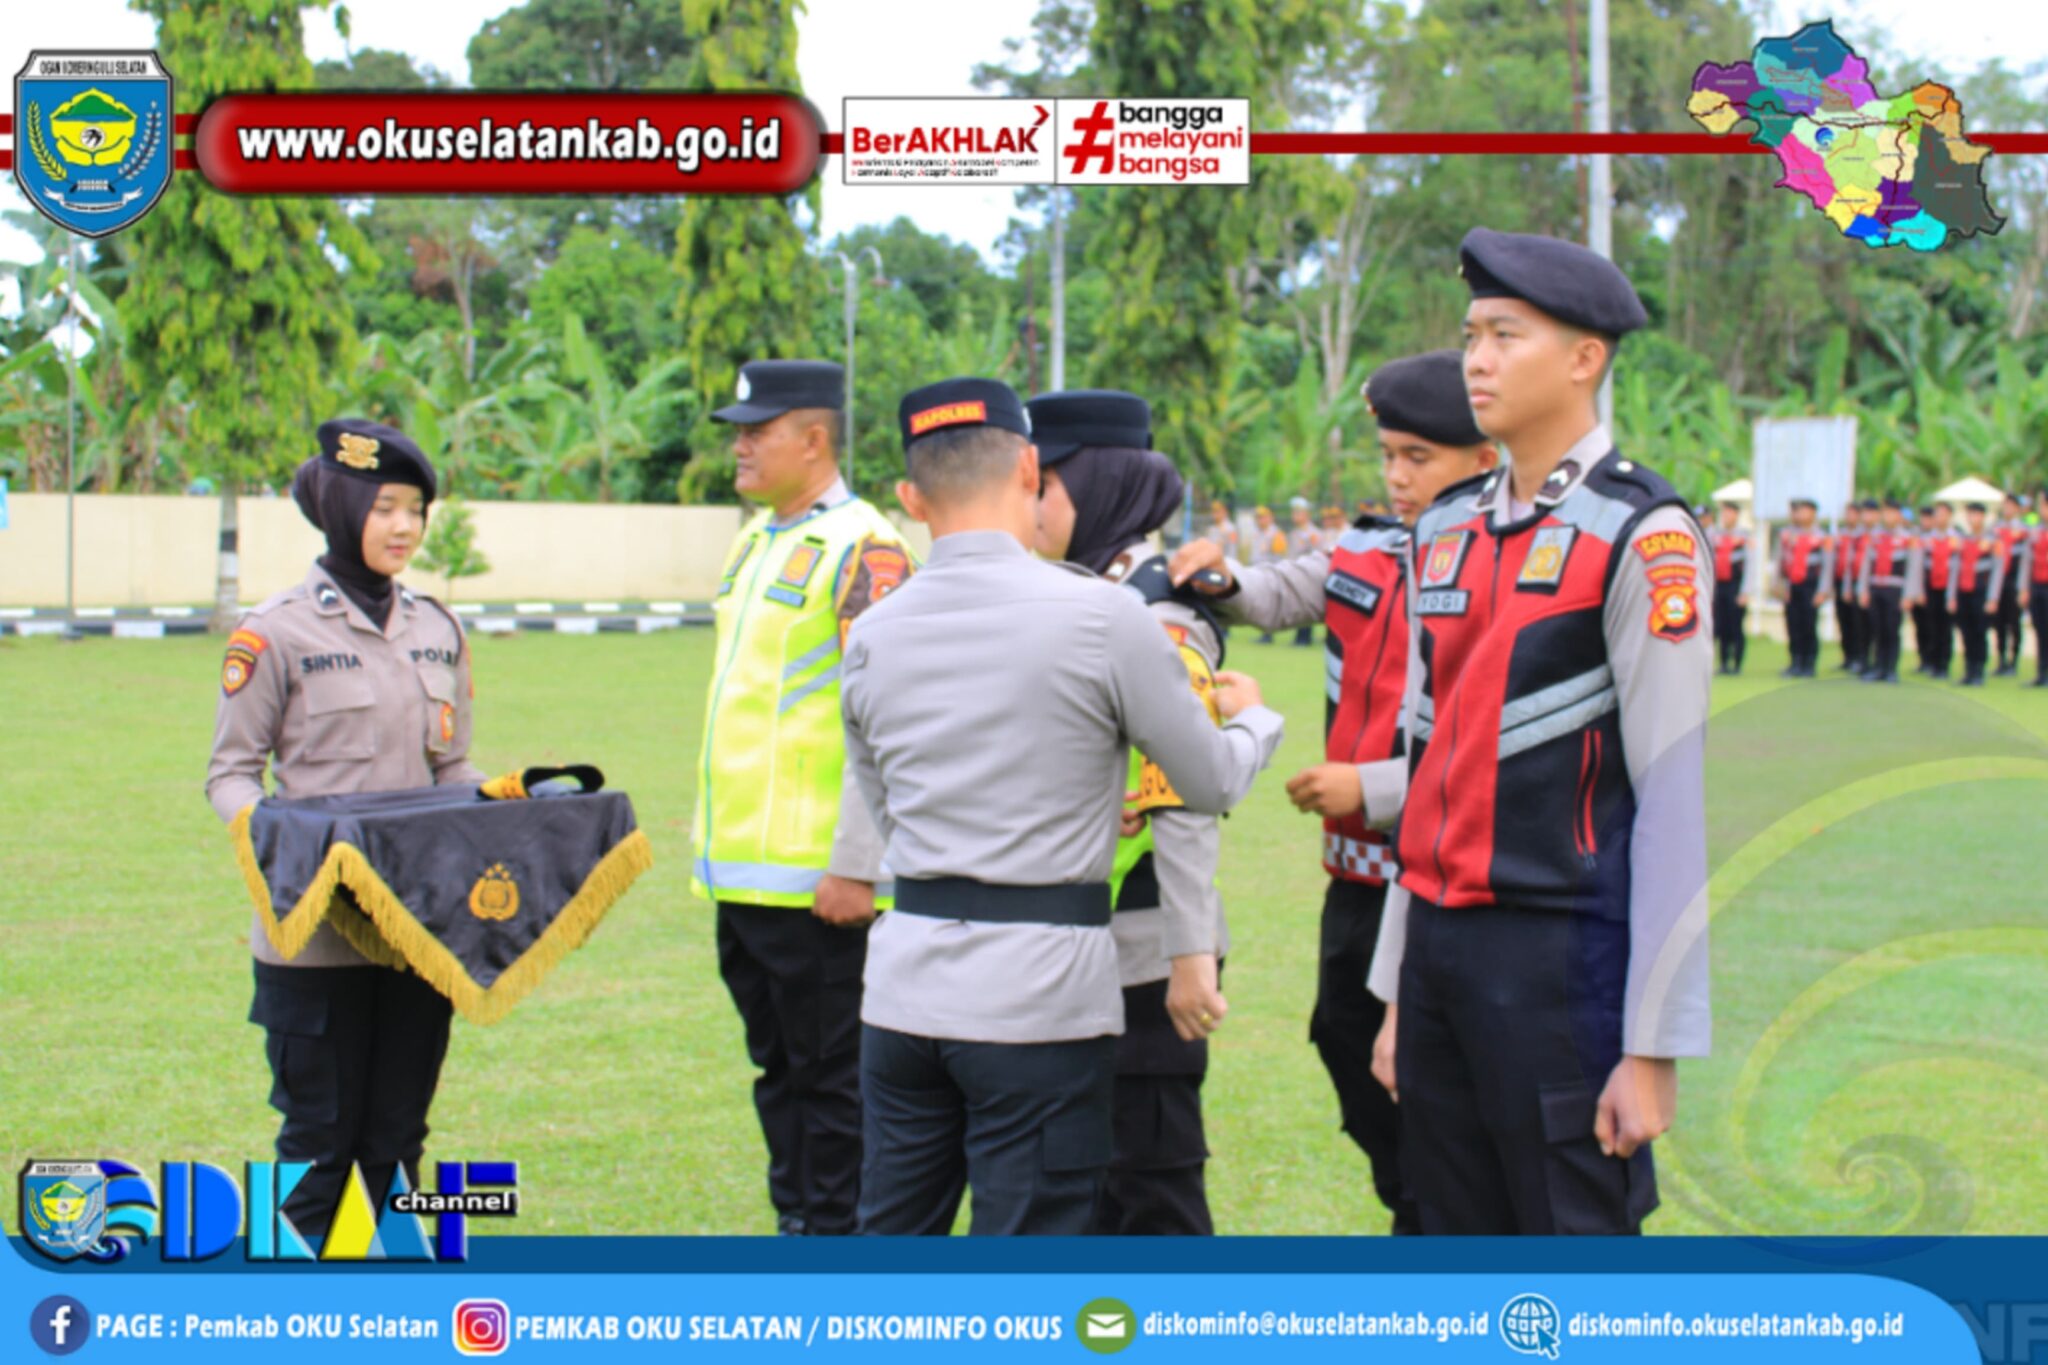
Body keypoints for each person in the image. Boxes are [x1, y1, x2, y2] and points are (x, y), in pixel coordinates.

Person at [843, 378, 1284, 1237]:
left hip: (903, 988)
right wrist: (1256, 720)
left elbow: (885, 804)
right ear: (1027, 467)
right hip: (1041, 995)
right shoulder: (1104, 616)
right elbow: (1207, 782)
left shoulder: (874, 631)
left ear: (910, 497)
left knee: (890, 1242)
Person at [1367, 228, 1713, 1236]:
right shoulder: (1445, 528)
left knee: (1572, 1248)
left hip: (1561, 958)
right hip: (1437, 954)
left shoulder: (1640, 533)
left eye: (1504, 335)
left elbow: (1670, 800)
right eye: (1470, 335)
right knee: (1445, 1238)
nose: (1475, 359)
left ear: (1583, 358)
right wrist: (1396, 989)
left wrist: (1650, 1045)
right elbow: (1424, 766)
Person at [1167, 348, 1501, 1236]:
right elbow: (1279, 593)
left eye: (1419, 457)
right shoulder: (1369, 547)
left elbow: (1499, 741)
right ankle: (1417, 1205)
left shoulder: (1497, 565)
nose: (1398, 476)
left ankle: (1434, 1219)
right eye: (1389, 455)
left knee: (1425, 1072)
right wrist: (1223, 580)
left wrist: (1376, 786)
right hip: (1354, 874)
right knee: (1344, 1037)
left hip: (1438, 873)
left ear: (1484, 459)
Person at [206, 418, 483, 1241]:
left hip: (416, 934)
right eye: (385, 507)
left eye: (416, 510)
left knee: (398, 1144)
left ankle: (395, 1301)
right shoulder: (275, 630)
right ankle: (285, 1303)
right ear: (341, 509)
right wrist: (283, 841)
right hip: (314, 936)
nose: (405, 526)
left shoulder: (438, 629)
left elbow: (452, 767)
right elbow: (230, 774)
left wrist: (500, 810)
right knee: (316, 1148)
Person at [691, 359, 916, 1237]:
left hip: (823, 884)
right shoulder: (757, 539)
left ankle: (836, 1247)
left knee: (833, 1082)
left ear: (815, 439)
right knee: (779, 1072)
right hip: (744, 876)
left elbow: (889, 719)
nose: (740, 446)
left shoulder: (868, 549)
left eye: (759, 431)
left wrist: (857, 863)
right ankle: (800, 1226)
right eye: (738, 431)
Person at [1026, 388, 1232, 1236]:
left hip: (1144, 955)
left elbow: (1182, 800)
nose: (1031, 507)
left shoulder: (1161, 611)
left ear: (1100, 485)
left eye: (1044, 486)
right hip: (1076, 940)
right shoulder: (1079, 593)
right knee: (1082, 1191)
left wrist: (1190, 954)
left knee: (1152, 1188)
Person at [1858, 499, 1922, 685]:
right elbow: (1866, 565)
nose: (1888, 517)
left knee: (1892, 630)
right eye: (1885, 513)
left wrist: (1909, 595)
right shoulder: (1875, 537)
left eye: (1892, 513)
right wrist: (1863, 590)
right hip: (1876, 587)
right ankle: (1878, 667)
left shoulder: (1908, 538)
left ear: (1899, 515)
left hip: (1895, 590)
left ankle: (1891, 669)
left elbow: (1913, 568)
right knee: (1877, 629)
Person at [1773, 497, 1832, 678]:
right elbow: (1780, 561)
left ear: (1813, 513)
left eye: (1804, 511)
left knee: (1809, 625)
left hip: (1811, 586)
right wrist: (1778, 584)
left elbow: (1827, 566)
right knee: (1793, 625)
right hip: (1791, 585)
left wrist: (1823, 591)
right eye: (1797, 511)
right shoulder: (1786, 535)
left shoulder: (1822, 537)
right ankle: (1795, 662)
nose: (1800, 515)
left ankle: (1809, 664)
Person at [1949, 502, 2001, 688]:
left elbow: (1997, 570)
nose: (1973, 518)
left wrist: (1992, 597)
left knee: (1979, 632)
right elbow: (1955, 569)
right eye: (1970, 514)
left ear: (1983, 517)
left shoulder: (1992, 540)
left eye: (1976, 514)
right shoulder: (1962, 540)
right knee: (1965, 632)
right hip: (1963, 591)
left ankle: (1979, 670)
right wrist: (1951, 596)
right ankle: (1969, 670)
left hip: (1981, 592)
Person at [1706, 501, 1750, 675]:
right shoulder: (1714, 535)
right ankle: (1723, 662)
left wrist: (1745, 591)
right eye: (1723, 513)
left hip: (1736, 586)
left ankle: (1737, 663)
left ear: (1736, 515)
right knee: (1720, 626)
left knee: (1735, 626)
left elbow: (1751, 565)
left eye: (1729, 513)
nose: (1726, 516)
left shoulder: (1744, 537)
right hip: (1719, 586)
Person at [1918, 502, 1956, 678]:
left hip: (1947, 589)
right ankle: (1931, 662)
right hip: (1930, 587)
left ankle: (1944, 665)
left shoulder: (1956, 539)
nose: (1940, 517)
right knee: (1930, 626)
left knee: (1945, 628)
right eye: (1937, 514)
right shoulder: (1927, 539)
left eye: (1943, 514)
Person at [1832, 501, 1871, 673]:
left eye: (1852, 513)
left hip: (1858, 581)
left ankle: (1860, 658)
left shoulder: (1864, 536)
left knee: (1858, 624)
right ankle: (1848, 657)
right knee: (1844, 621)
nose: (1849, 517)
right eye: (1847, 513)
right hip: (1841, 581)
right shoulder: (1841, 535)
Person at [1993, 493, 2027, 676]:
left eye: (2011, 505)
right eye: (2005, 505)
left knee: (2014, 623)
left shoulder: (2023, 531)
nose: (2007, 508)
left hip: (2014, 582)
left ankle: (2014, 661)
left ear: (2017, 508)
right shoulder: (1996, 530)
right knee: (1999, 623)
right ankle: (2001, 660)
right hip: (1998, 583)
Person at [1249, 505, 1288, 643]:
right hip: (1257, 573)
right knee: (1261, 606)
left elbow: (1279, 557)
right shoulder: (1257, 533)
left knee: (1269, 606)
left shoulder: (1276, 534)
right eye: (1258, 517)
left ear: (1271, 518)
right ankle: (1264, 633)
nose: (1260, 520)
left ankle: (1268, 634)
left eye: (1263, 517)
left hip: (1270, 575)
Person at [1286, 498, 1322, 646]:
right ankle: (1299, 637)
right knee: (1298, 605)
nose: (1294, 516)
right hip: (1295, 572)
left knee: (1307, 605)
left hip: (1307, 573)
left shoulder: (1313, 533)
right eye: (1293, 512)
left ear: (1306, 514)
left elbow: (1316, 555)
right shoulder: (1295, 533)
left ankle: (1305, 638)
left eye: (1298, 513)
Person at [2020, 497, 2048, 688]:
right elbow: (2026, 561)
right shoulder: (2035, 532)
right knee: (2040, 631)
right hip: (2037, 587)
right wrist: (2024, 588)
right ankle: (2041, 672)